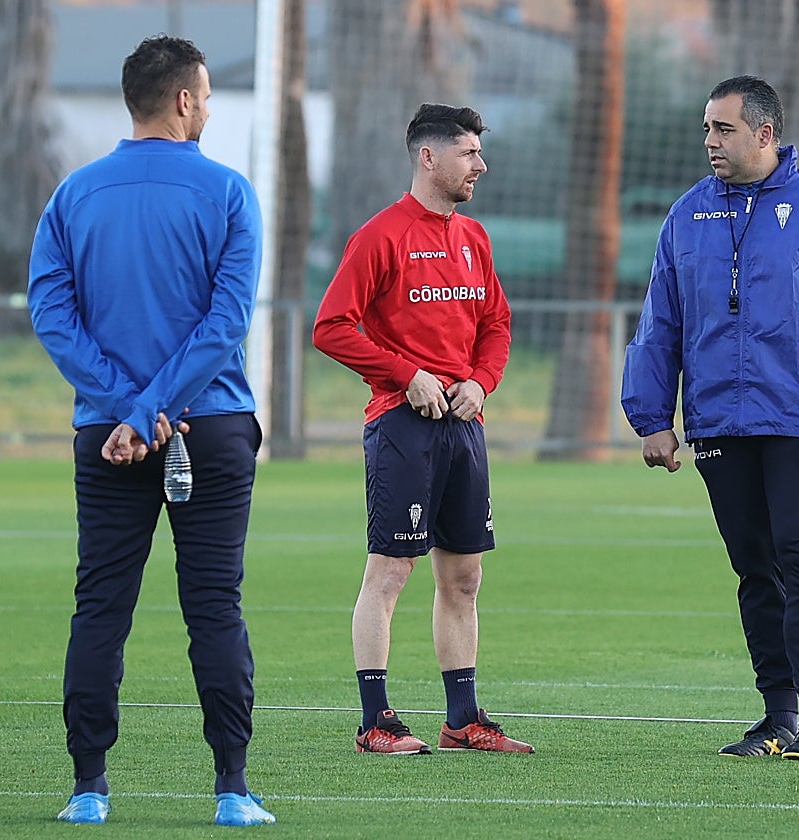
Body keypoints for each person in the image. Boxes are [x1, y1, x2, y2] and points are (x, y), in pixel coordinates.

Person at [28, 35, 275, 827]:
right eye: (204, 96)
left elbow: (51, 315)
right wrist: (153, 410)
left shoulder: (74, 194)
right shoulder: (229, 193)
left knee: (99, 606)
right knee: (214, 606)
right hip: (209, 427)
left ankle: (88, 788)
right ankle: (233, 790)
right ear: (182, 101)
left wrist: (124, 408)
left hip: (107, 435)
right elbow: (226, 322)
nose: (206, 108)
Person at [621, 75, 799, 762]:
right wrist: (652, 416)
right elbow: (660, 323)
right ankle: (776, 719)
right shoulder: (686, 216)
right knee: (754, 570)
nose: (710, 141)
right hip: (718, 427)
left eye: (723, 129)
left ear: (764, 134)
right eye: (707, 128)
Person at [313, 103, 531, 756]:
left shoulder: (475, 239)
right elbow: (331, 327)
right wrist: (406, 374)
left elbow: (496, 324)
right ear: (428, 157)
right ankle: (375, 720)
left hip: (464, 428)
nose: (481, 166)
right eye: (469, 153)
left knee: (463, 578)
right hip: (401, 427)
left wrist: (480, 383)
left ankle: (463, 719)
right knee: (390, 572)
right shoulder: (381, 236)